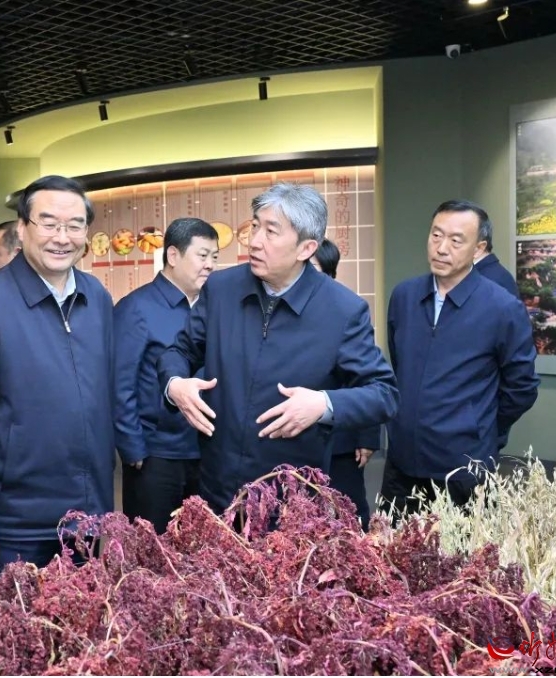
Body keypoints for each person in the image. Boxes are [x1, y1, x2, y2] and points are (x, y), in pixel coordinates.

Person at [159, 183, 399, 515]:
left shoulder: (342, 310)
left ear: (306, 248)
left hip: (290, 504)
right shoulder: (222, 289)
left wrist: (323, 404)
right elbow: (179, 351)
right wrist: (175, 385)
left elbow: (384, 393)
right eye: (255, 225)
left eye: (271, 232)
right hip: (218, 491)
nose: (255, 240)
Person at [0, 175, 115, 573]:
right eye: (49, 223)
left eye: (74, 225)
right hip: (16, 524)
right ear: (22, 228)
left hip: (87, 517)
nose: (62, 237)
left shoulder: (96, 296)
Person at [380, 199, 539, 517]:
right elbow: (400, 366)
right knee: (395, 544)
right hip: (402, 461)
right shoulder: (404, 296)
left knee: (463, 548)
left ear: (478, 248)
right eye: (436, 235)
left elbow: (522, 387)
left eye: (456, 240)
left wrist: (481, 427)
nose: (441, 248)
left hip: (463, 465)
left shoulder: (502, 307)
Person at [114, 218, 219, 534]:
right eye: (203, 255)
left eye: (214, 257)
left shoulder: (211, 308)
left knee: (201, 548)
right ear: (173, 255)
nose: (210, 265)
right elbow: (120, 383)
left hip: (205, 453)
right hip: (155, 455)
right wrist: (132, 447)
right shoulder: (136, 307)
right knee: (153, 548)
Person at [310, 239, 380, 530]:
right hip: (295, 436)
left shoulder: (347, 310)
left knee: (348, 513)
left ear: (329, 274)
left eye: (312, 269)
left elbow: (369, 379)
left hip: (341, 436)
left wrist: (367, 435)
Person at [471, 207, 519, 298]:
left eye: (455, 240)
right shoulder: (489, 274)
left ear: (479, 247)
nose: (444, 248)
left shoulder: (488, 280)